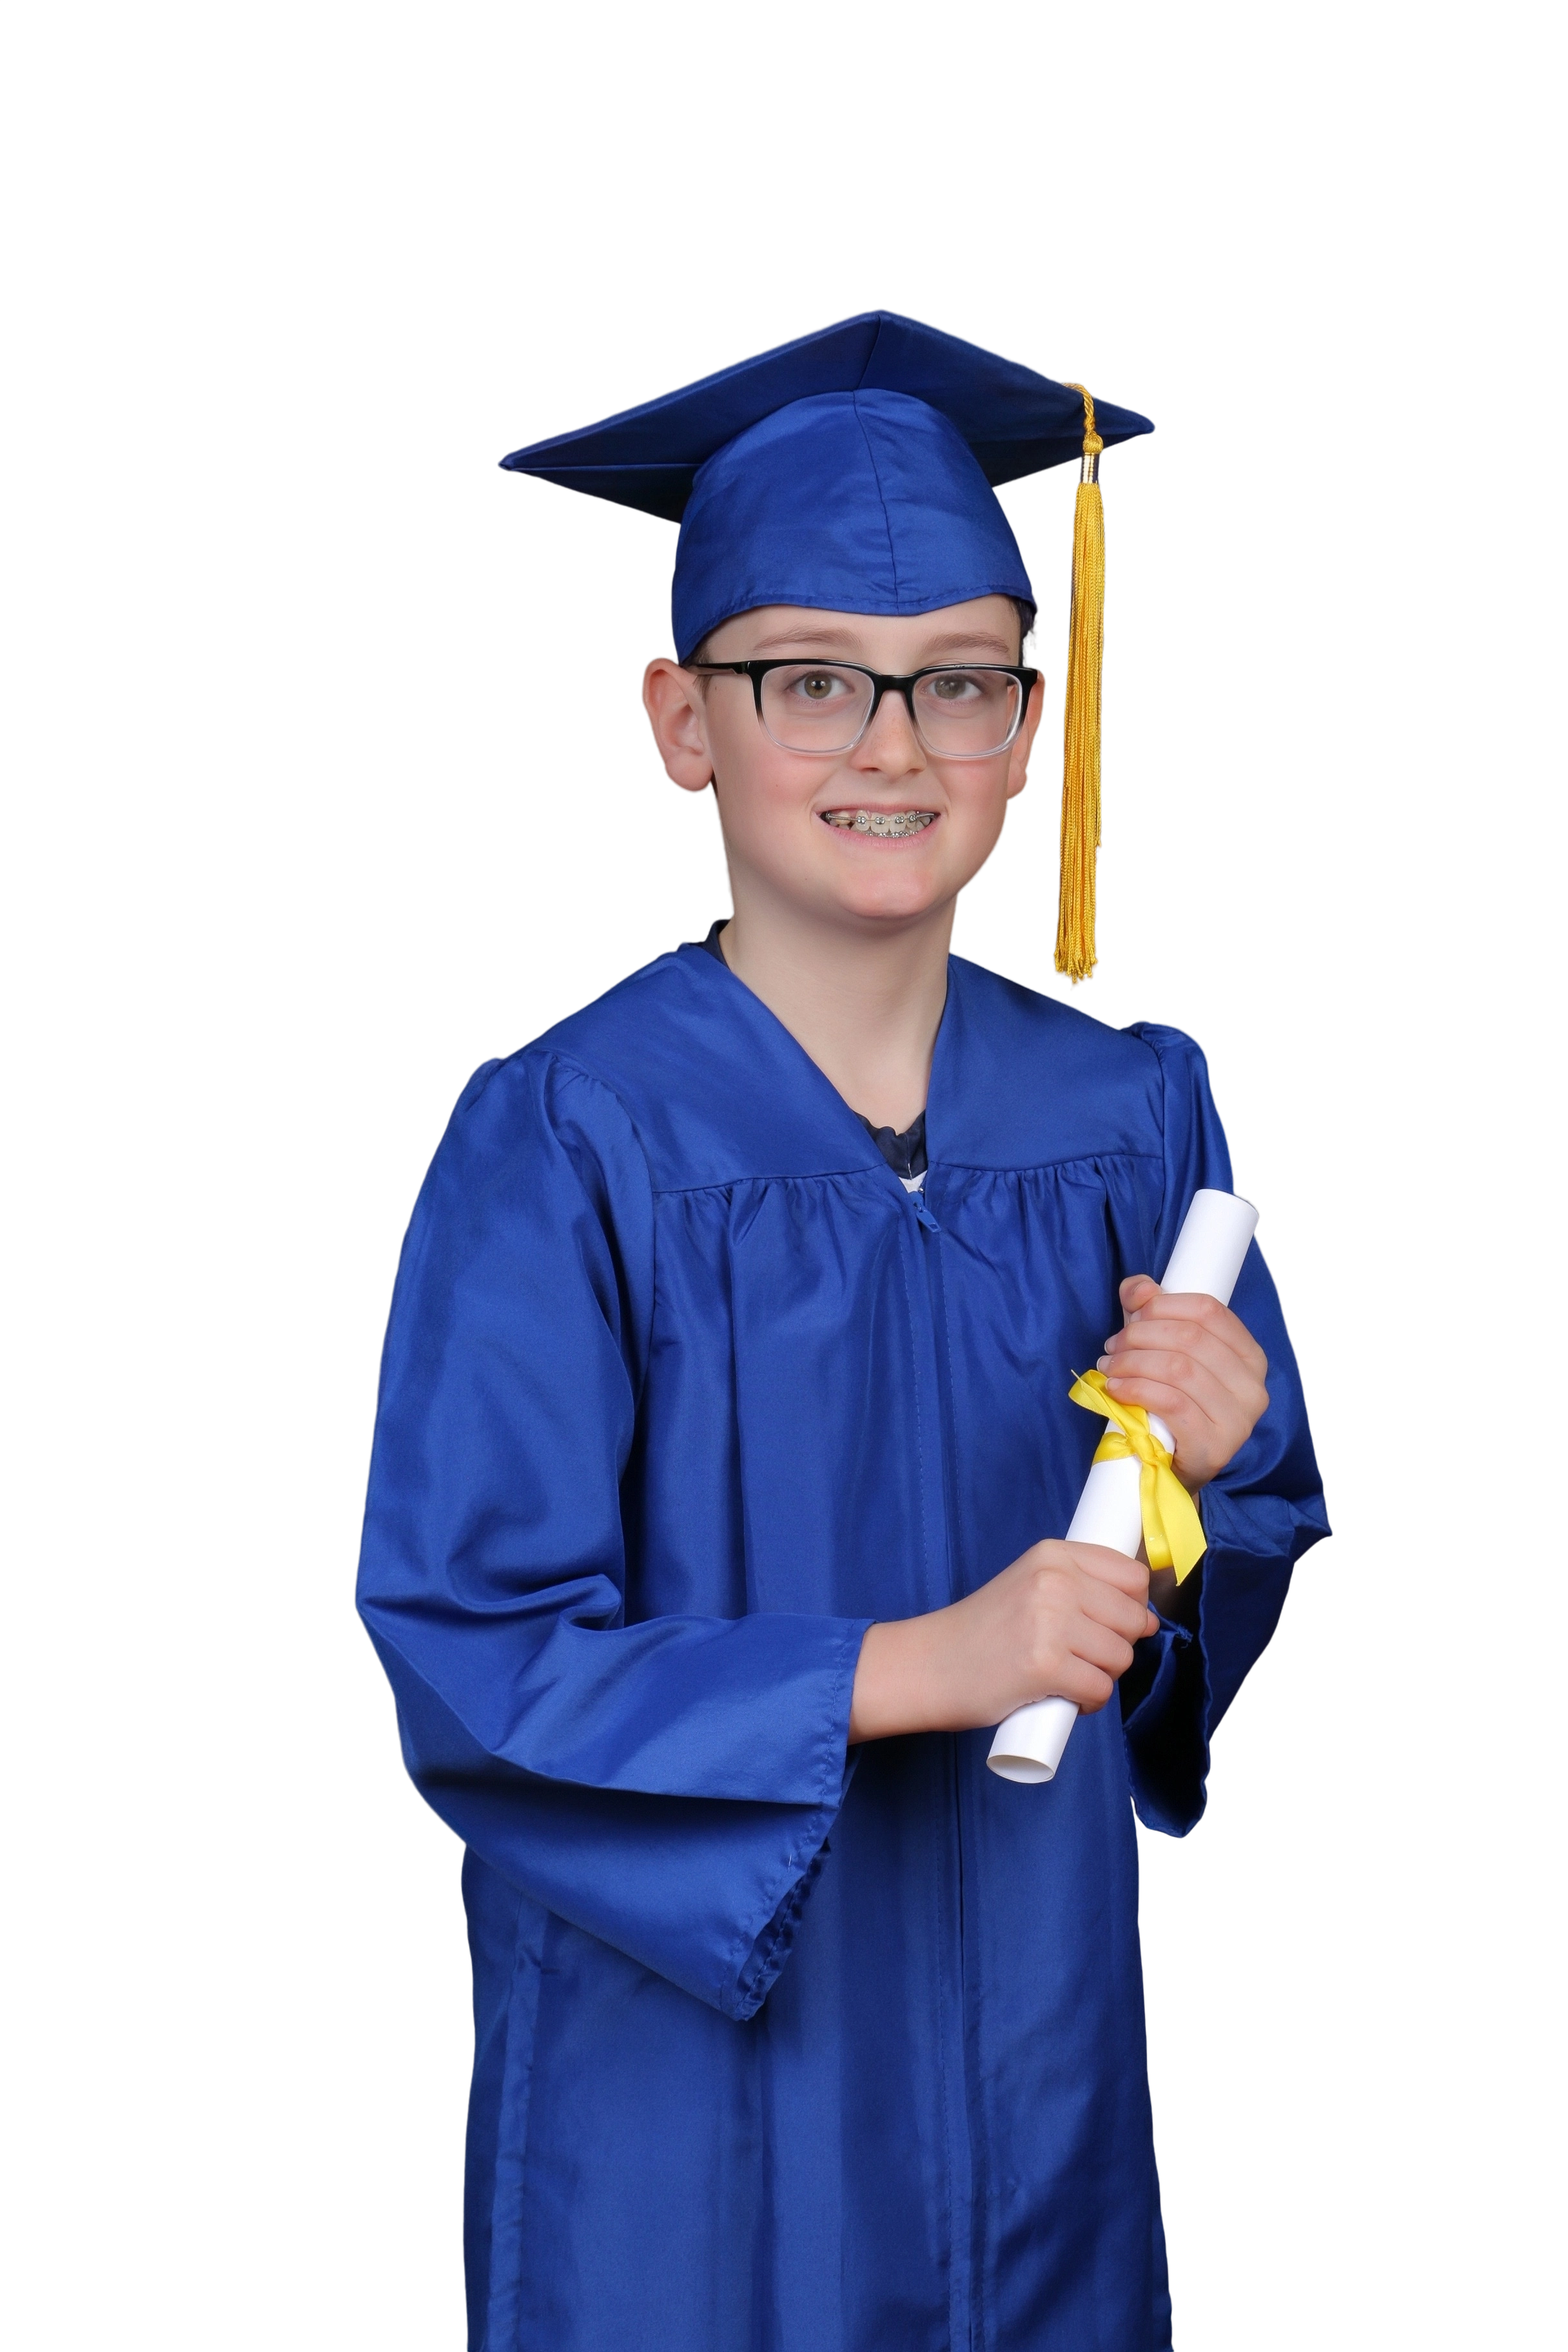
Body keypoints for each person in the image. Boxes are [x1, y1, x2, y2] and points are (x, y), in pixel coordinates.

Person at [353, 311, 1329, 2352]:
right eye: (812, 680)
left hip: (1043, 2081)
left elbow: (1181, 1614)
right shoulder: (568, 1137)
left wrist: (1213, 1472)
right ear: (682, 723)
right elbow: (476, 1648)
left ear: (1033, 726)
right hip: (686, 2126)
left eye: (962, 680)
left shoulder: (1134, 1114)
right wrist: (918, 1666)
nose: (895, 747)